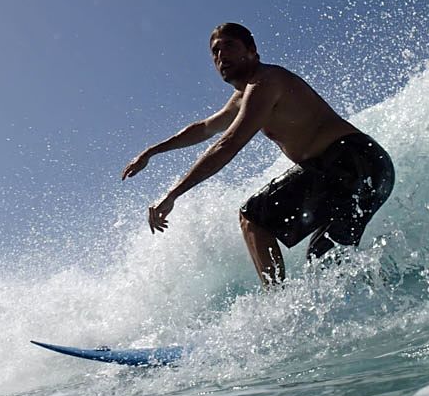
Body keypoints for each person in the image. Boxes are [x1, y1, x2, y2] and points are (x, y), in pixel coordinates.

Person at [122, 22, 394, 286]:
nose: (221, 55)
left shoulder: (266, 82)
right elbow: (206, 128)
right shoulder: (243, 96)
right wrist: (152, 152)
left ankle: (278, 307)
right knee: (323, 263)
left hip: (351, 161)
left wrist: (173, 194)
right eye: (215, 51)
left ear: (252, 49)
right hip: (366, 170)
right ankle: (384, 294)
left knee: (252, 218)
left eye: (228, 46)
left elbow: (228, 144)